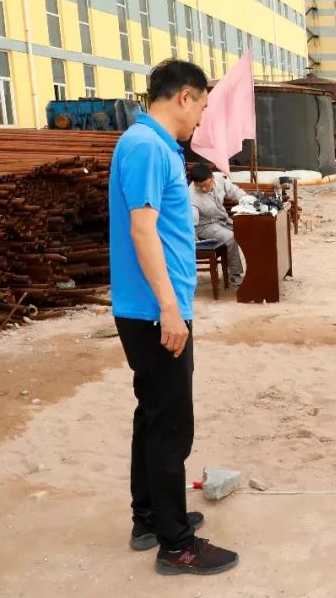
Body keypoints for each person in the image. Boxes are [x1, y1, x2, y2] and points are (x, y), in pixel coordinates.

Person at [109, 59, 239, 576]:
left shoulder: (154, 147)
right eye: (202, 106)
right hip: (153, 310)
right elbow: (144, 232)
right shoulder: (145, 146)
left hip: (153, 307)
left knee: (153, 416)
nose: (202, 119)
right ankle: (176, 545)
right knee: (170, 427)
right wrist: (169, 308)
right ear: (183, 96)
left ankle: (150, 518)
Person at [189, 163, 246, 286]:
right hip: (204, 226)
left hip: (223, 220)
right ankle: (235, 275)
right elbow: (192, 220)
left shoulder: (220, 180)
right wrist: (192, 239)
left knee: (250, 229)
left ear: (212, 178)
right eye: (199, 186)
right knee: (230, 237)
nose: (203, 189)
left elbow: (235, 192)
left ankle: (258, 269)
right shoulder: (191, 195)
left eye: (206, 185)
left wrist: (246, 200)